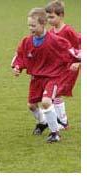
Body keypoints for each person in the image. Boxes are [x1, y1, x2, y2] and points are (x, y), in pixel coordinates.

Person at [11, 8, 80, 143]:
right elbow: (20, 56)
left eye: (33, 25)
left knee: (46, 102)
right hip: (36, 78)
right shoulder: (27, 41)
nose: (30, 28)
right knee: (31, 105)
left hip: (52, 77)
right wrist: (17, 67)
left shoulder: (55, 40)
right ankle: (43, 122)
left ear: (43, 24)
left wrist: (77, 61)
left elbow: (71, 51)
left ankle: (55, 133)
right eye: (29, 25)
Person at [32, 0, 81, 135]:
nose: (49, 19)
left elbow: (80, 45)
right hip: (56, 68)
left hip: (69, 67)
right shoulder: (51, 32)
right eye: (47, 17)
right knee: (55, 94)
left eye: (52, 17)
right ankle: (61, 121)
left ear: (61, 15)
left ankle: (62, 121)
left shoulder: (68, 30)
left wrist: (78, 62)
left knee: (56, 93)